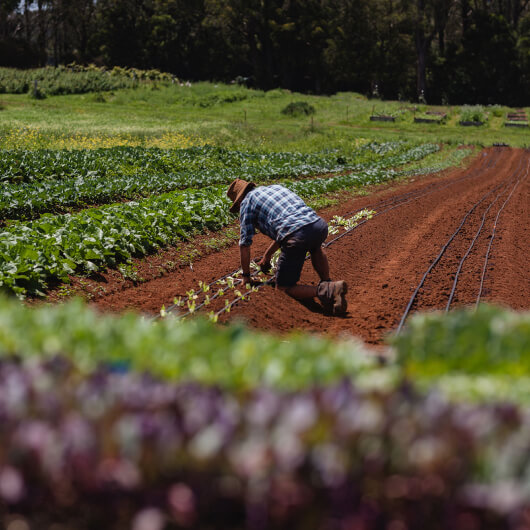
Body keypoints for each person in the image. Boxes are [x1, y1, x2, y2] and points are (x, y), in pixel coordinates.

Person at [227, 178, 348, 315]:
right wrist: (267, 255)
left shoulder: (246, 204)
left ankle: (329, 290)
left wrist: (246, 276)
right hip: (318, 225)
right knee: (315, 247)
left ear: (239, 199)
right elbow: (288, 226)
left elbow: (244, 244)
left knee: (284, 288)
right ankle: (327, 284)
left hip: (297, 235)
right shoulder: (275, 188)